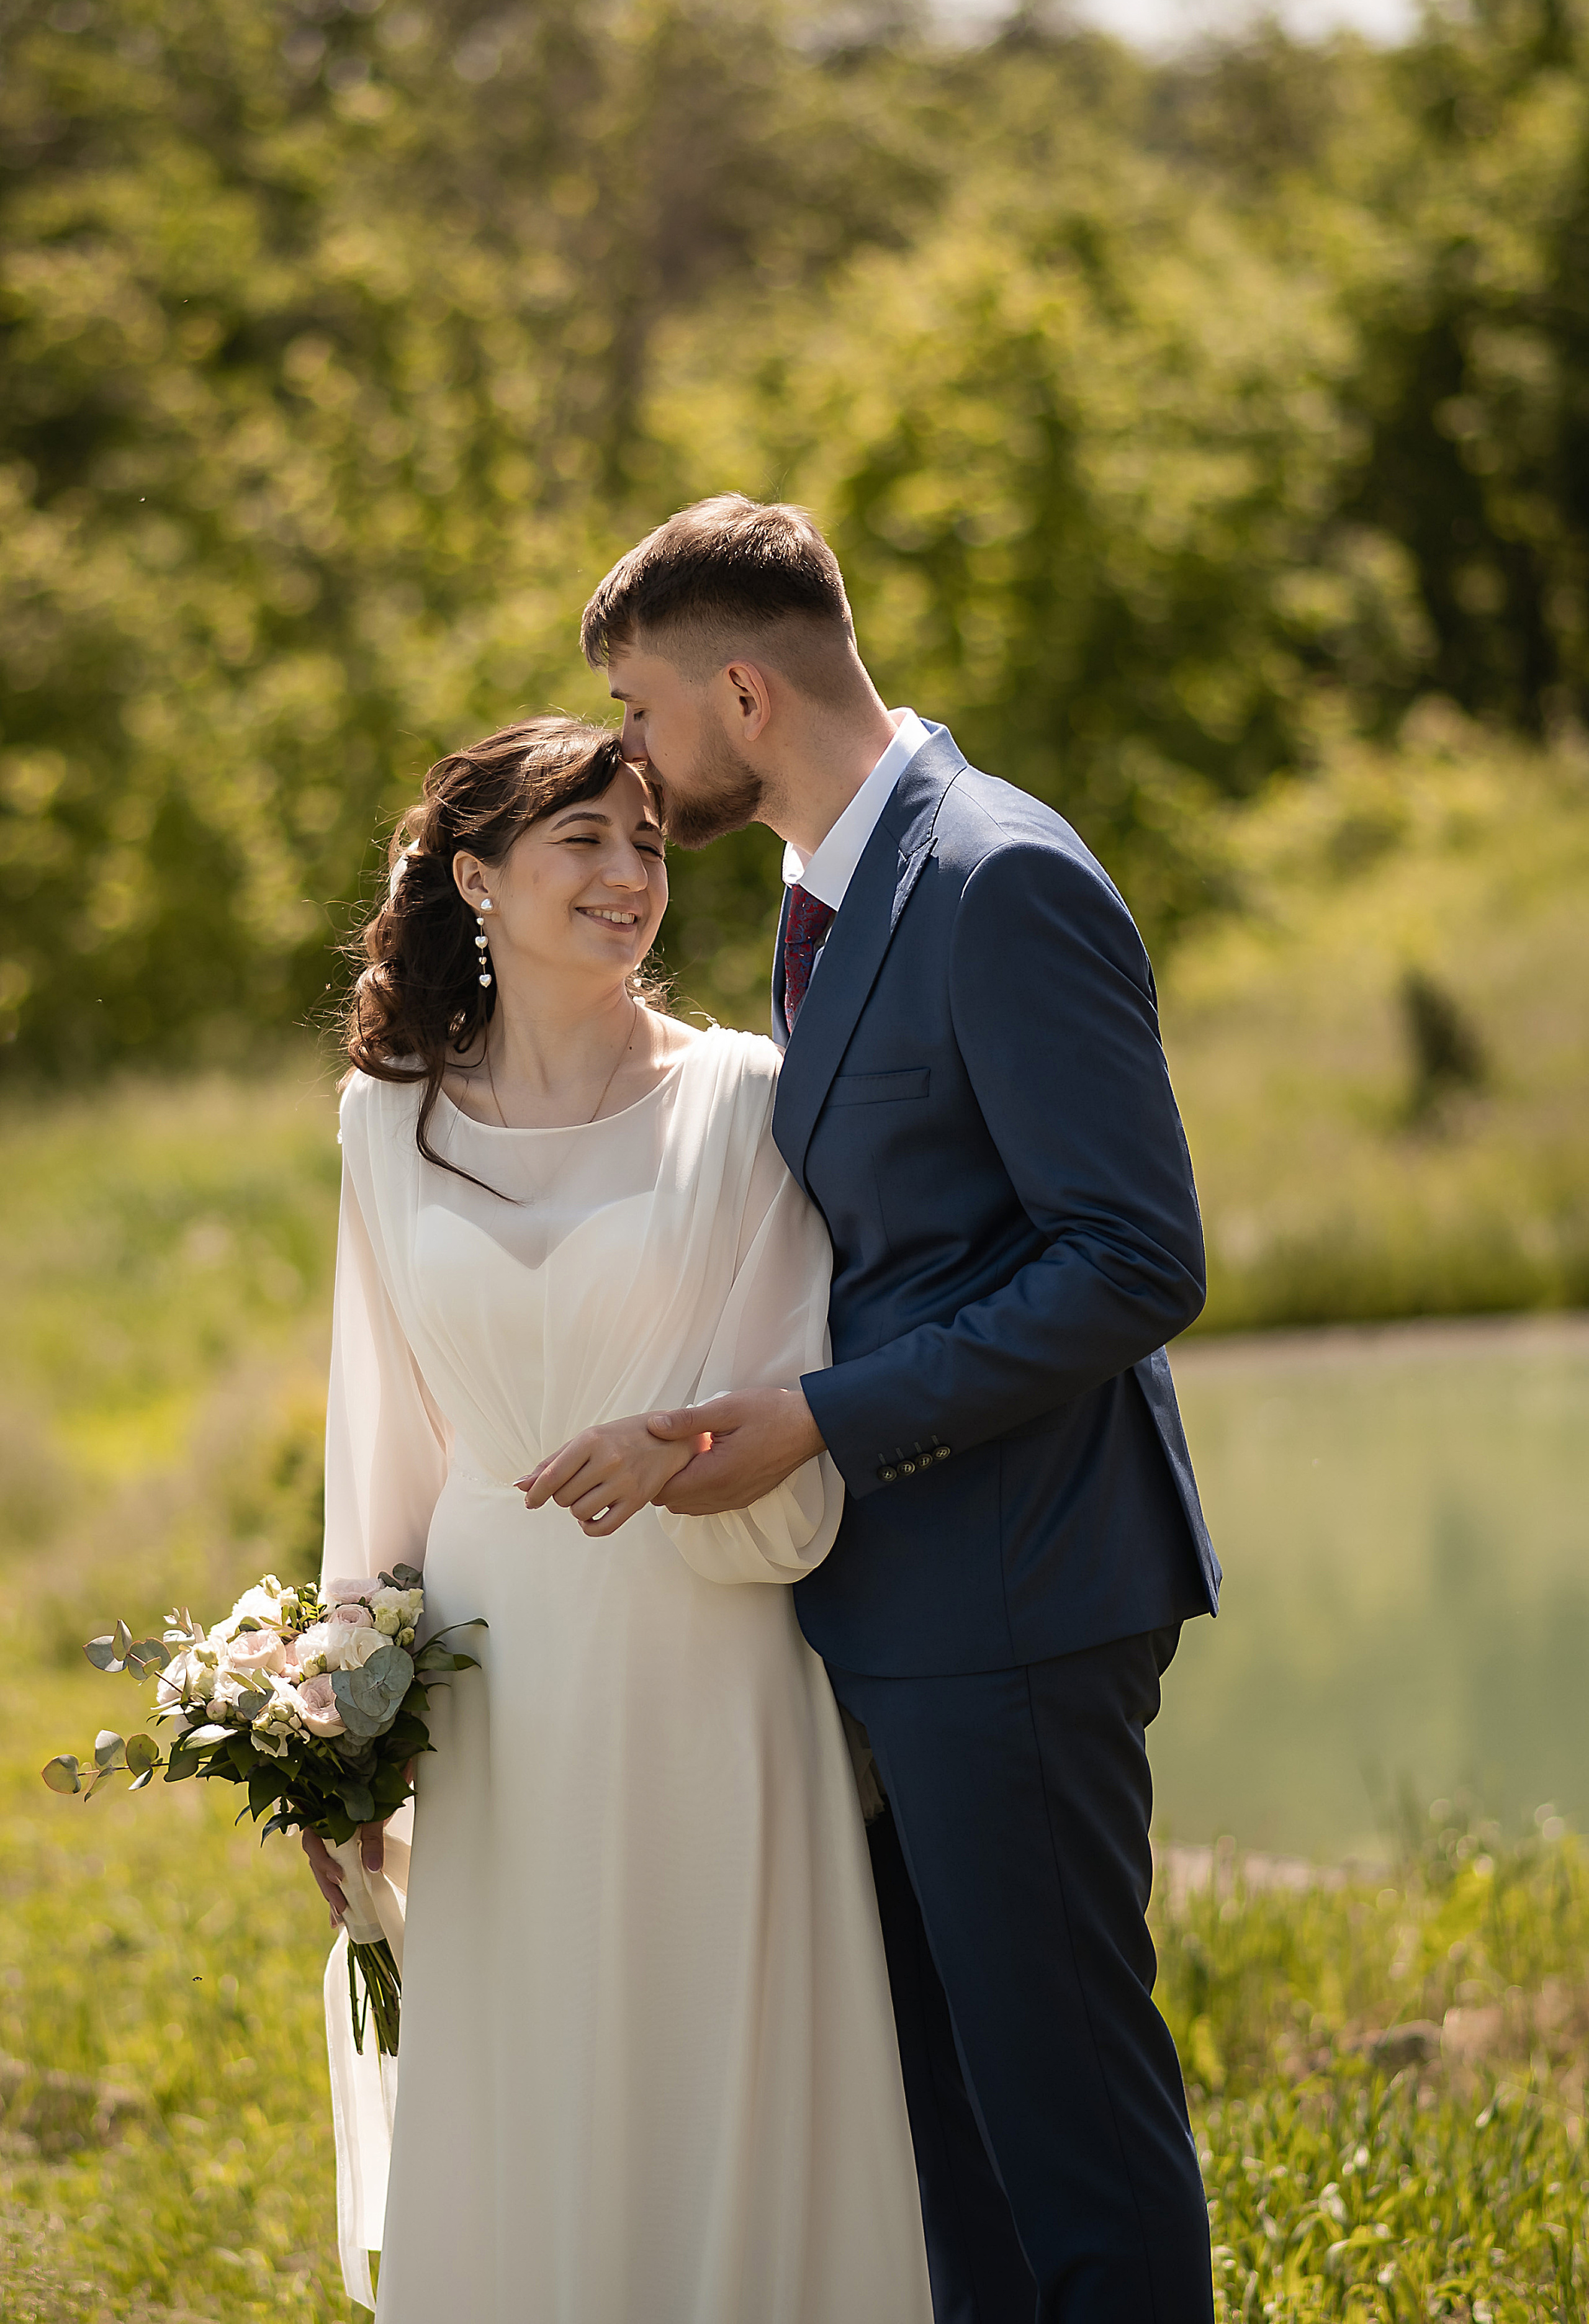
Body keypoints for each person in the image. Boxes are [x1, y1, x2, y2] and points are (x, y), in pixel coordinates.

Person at [531, 497, 1223, 2323]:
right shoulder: (829, 880)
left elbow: (1134, 1257)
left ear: (742, 690)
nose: (629, 753)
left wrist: (824, 1419)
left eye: (641, 707)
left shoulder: (997, 876)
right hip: (903, 1600)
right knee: (951, 2132)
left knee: (1067, 2124)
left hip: (1023, 1587)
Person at [301, 716, 934, 2323]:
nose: (629, 873)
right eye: (582, 837)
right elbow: (378, 1449)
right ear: (476, 877)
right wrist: (338, 1715)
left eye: (648, 842)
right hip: (492, 1677)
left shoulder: (745, 1103)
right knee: (527, 2066)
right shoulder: (388, 1121)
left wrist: (681, 1451)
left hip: (705, 1658)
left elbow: (799, 1409)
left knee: (714, 2061)